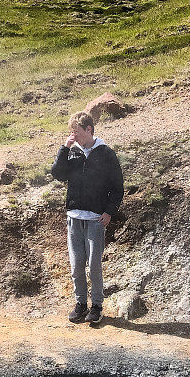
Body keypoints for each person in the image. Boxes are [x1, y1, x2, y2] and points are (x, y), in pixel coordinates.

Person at [51, 111, 124, 325]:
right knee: (76, 265)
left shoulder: (106, 153)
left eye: (76, 132)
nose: (73, 136)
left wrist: (109, 212)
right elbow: (58, 174)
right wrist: (64, 148)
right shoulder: (72, 152)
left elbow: (118, 188)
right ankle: (81, 304)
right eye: (71, 132)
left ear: (89, 129)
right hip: (74, 217)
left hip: (95, 219)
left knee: (93, 265)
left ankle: (97, 306)